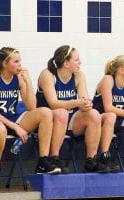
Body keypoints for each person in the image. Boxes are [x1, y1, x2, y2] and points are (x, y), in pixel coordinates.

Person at [0, 47, 60, 192]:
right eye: (16, 61)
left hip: (12, 117)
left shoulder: (18, 78)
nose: (20, 64)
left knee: (45, 112)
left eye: (20, 61)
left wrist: (28, 82)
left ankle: (43, 161)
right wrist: (15, 127)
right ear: (5, 63)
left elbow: (32, 106)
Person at [36, 45, 115, 173]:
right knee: (61, 112)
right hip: (49, 121)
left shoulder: (78, 75)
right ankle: (54, 158)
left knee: (94, 114)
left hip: (69, 120)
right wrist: (77, 102)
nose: (80, 62)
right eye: (77, 60)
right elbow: (53, 103)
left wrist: (86, 103)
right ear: (66, 63)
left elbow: (83, 99)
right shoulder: (48, 74)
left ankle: (91, 160)